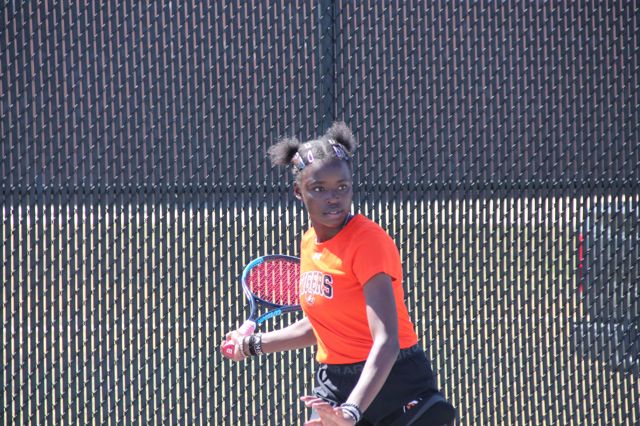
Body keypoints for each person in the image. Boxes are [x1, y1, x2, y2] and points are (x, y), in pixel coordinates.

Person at [221, 122, 455, 425]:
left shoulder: (368, 241)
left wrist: (351, 411)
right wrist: (251, 345)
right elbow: (321, 325)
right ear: (298, 191)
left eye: (342, 187)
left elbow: (386, 340)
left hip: (395, 381)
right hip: (334, 383)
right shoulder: (309, 243)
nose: (333, 197)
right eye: (319, 188)